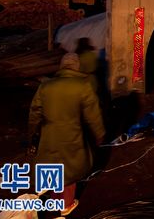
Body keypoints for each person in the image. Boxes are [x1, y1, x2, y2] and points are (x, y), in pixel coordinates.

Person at [27, 53, 105, 216]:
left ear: (62, 66)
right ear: (77, 67)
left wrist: (32, 132)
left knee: (50, 159)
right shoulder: (83, 85)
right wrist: (100, 133)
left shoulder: (46, 86)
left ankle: (46, 189)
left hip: (49, 133)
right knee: (70, 169)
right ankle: (66, 205)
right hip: (72, 134)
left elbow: (35, 112)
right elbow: (93, 114)